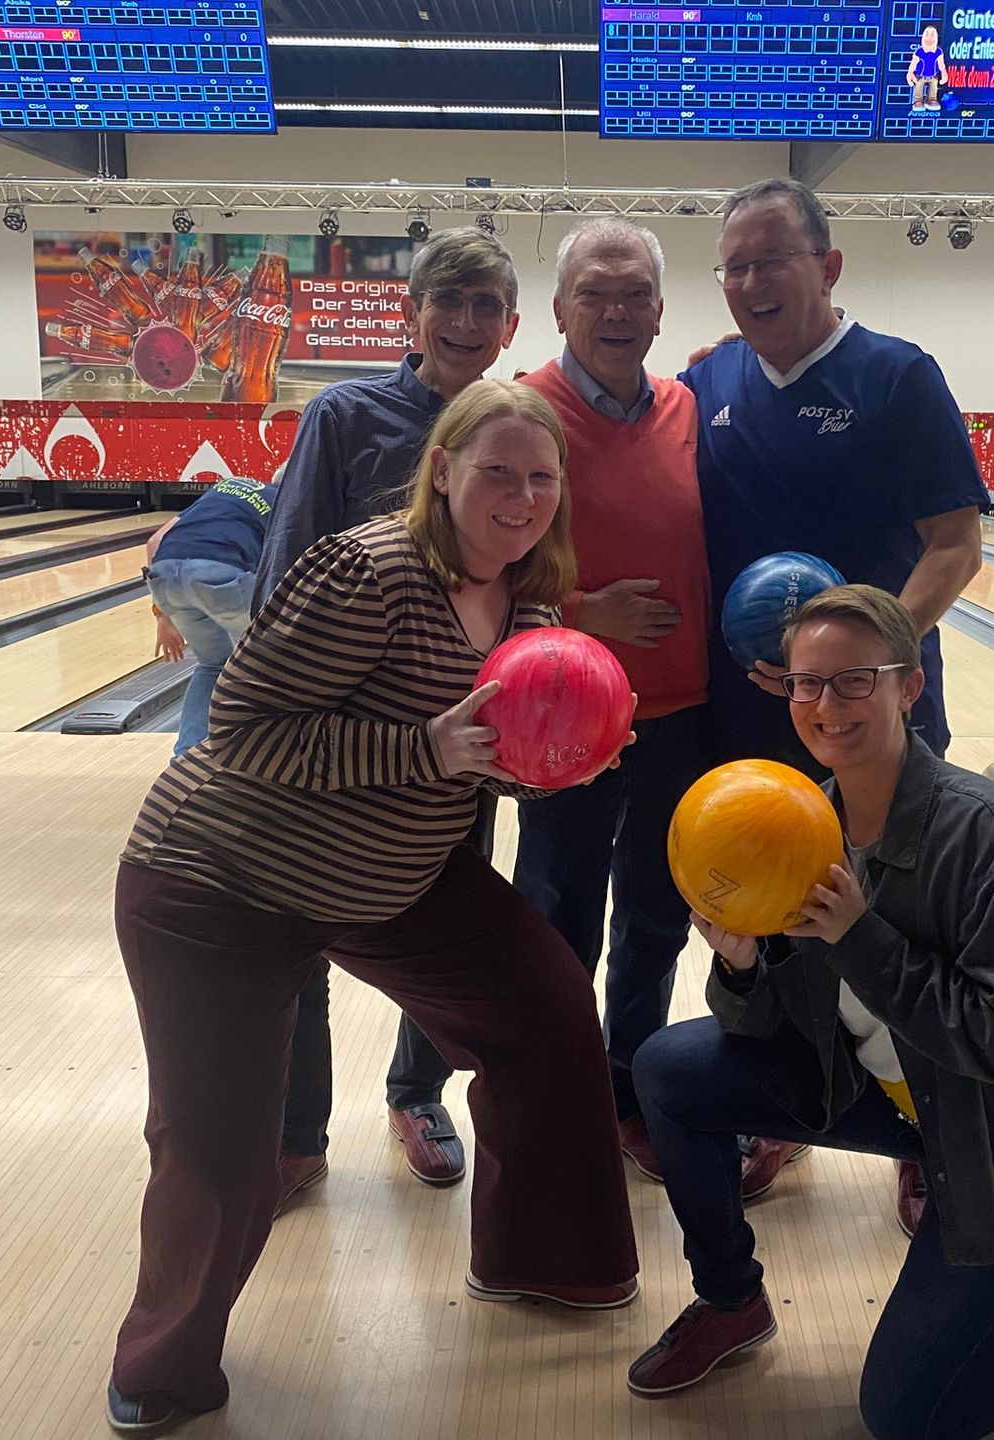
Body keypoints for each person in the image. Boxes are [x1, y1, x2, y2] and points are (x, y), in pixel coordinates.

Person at [106, 381, 639, 1435]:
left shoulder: (529, 597)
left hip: (388, 879)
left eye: (541, 478)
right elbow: (245, 726)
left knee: (545, 1007)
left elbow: (484, 759)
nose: (522, 495)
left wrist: (553, 768)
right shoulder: (368, 571)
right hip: (225, 884)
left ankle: (545, 1264)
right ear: (442, 468)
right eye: (497, 470)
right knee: (219, 1152)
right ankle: (161, 1371)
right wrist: (420, 748)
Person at [625, 585, 994, 1435]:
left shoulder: (991, 843)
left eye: (855, 680)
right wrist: (741, 969)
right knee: (667, 1071)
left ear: (909, 686)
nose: (825, 705)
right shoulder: (801, 822)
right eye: (805, 684)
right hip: (899, 1099)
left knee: (909, 1417)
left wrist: (860, 936)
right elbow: (783, 1028)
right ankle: (732, 1301)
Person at [682, 177, 989, 1229]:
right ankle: (780, 1107)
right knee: (764, 914)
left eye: (773, 258)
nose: (751, 280)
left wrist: (869, 661)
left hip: (876, 712)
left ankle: (926, 1123)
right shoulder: (709, 377)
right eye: (734, 264)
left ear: (828, 266)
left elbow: (957, 543)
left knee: (903, 916)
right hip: (749, 710)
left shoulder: (898, 376)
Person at [257, 227, 521, 1200]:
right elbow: (283, 577)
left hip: (465, 740)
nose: (463, 320)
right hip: (346, 737)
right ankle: (293, 1138)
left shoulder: (518, 428)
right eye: (446, 300)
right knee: (301, 931)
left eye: (484, 303)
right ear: (412, 314)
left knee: (443, 924)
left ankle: (417, 1094)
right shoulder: (344, 415)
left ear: (509, 324)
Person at [513, 219, 714, 1178]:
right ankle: (554, 1095)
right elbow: (475, 558)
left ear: (661, 310)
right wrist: (581, 611)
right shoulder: (523, 410)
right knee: (557, 916)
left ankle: (630, 1090)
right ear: (560, 309)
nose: (617, 310)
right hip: (563, 725)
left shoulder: (687, 405)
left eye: (635, 293)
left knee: (655, 918)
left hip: (680, 715)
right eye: (596, 292)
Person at [144, 476, 279, 756]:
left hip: (165, 576)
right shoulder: (283, 502)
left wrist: (162, 614)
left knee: (211, 664)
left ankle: (186, 757)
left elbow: (155, 541)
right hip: (220, 574)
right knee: (266, 662)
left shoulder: (226, 486)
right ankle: (263, 755)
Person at [908, 25, 947, 112]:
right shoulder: (919, 52)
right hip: (920, 77)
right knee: (919, 88)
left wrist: (944, 74)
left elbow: (941, 65)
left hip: (933, 76)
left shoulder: (938, 52)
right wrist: (910, 73)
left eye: (932, 37)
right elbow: (913, 64)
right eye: (927, 36)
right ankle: (918, 102)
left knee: (933, 88)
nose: (929, 40)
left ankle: (932, 100)